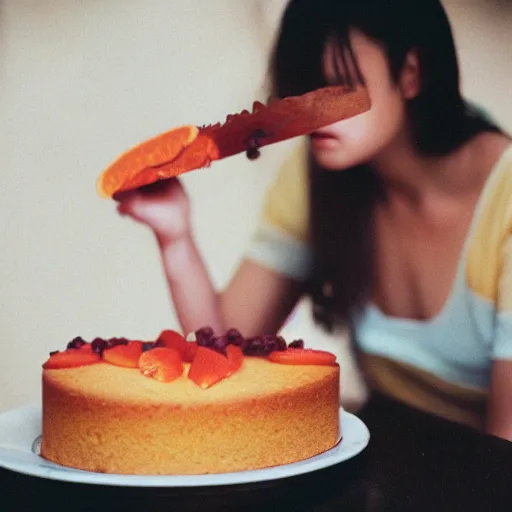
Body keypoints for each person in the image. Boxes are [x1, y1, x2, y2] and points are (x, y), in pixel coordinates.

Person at [114, 0, 512, 440]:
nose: (312, 110)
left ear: (411, 72)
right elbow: (223, 347)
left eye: (338, 85)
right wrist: (175, 236)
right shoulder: (315, 177)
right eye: (303, 85)